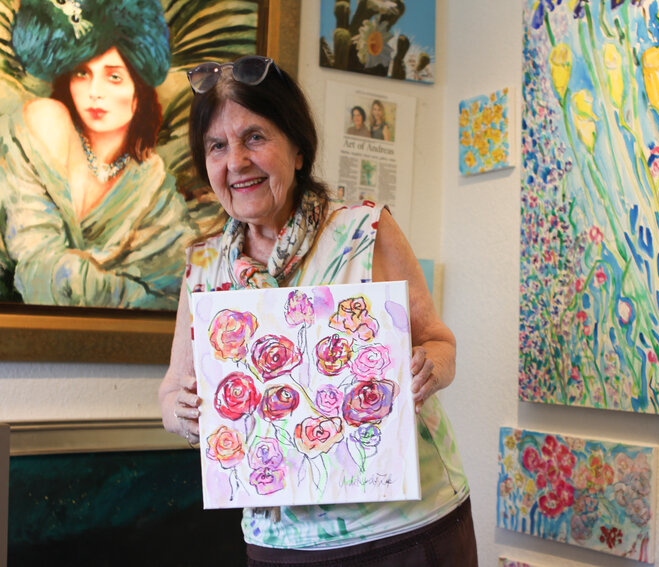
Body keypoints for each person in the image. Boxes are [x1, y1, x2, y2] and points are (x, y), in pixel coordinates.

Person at [159, 56, 477, 565]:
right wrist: (181, 412)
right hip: (279, 542)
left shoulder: (363, 231)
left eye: (255, 137)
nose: (235, 161)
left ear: (299, 148)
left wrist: (429, 367)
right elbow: (173, 389)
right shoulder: (202, 267)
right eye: (217, 146)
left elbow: (439, 341)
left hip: (403, 527)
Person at [0, 0, 196, 308]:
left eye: (114, 76)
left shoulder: (155, 191)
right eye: (82, 73)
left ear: (138, 91)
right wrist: (120, 288)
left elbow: (172, 299)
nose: (95, 91)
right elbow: (37, 266)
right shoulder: (47, 124)